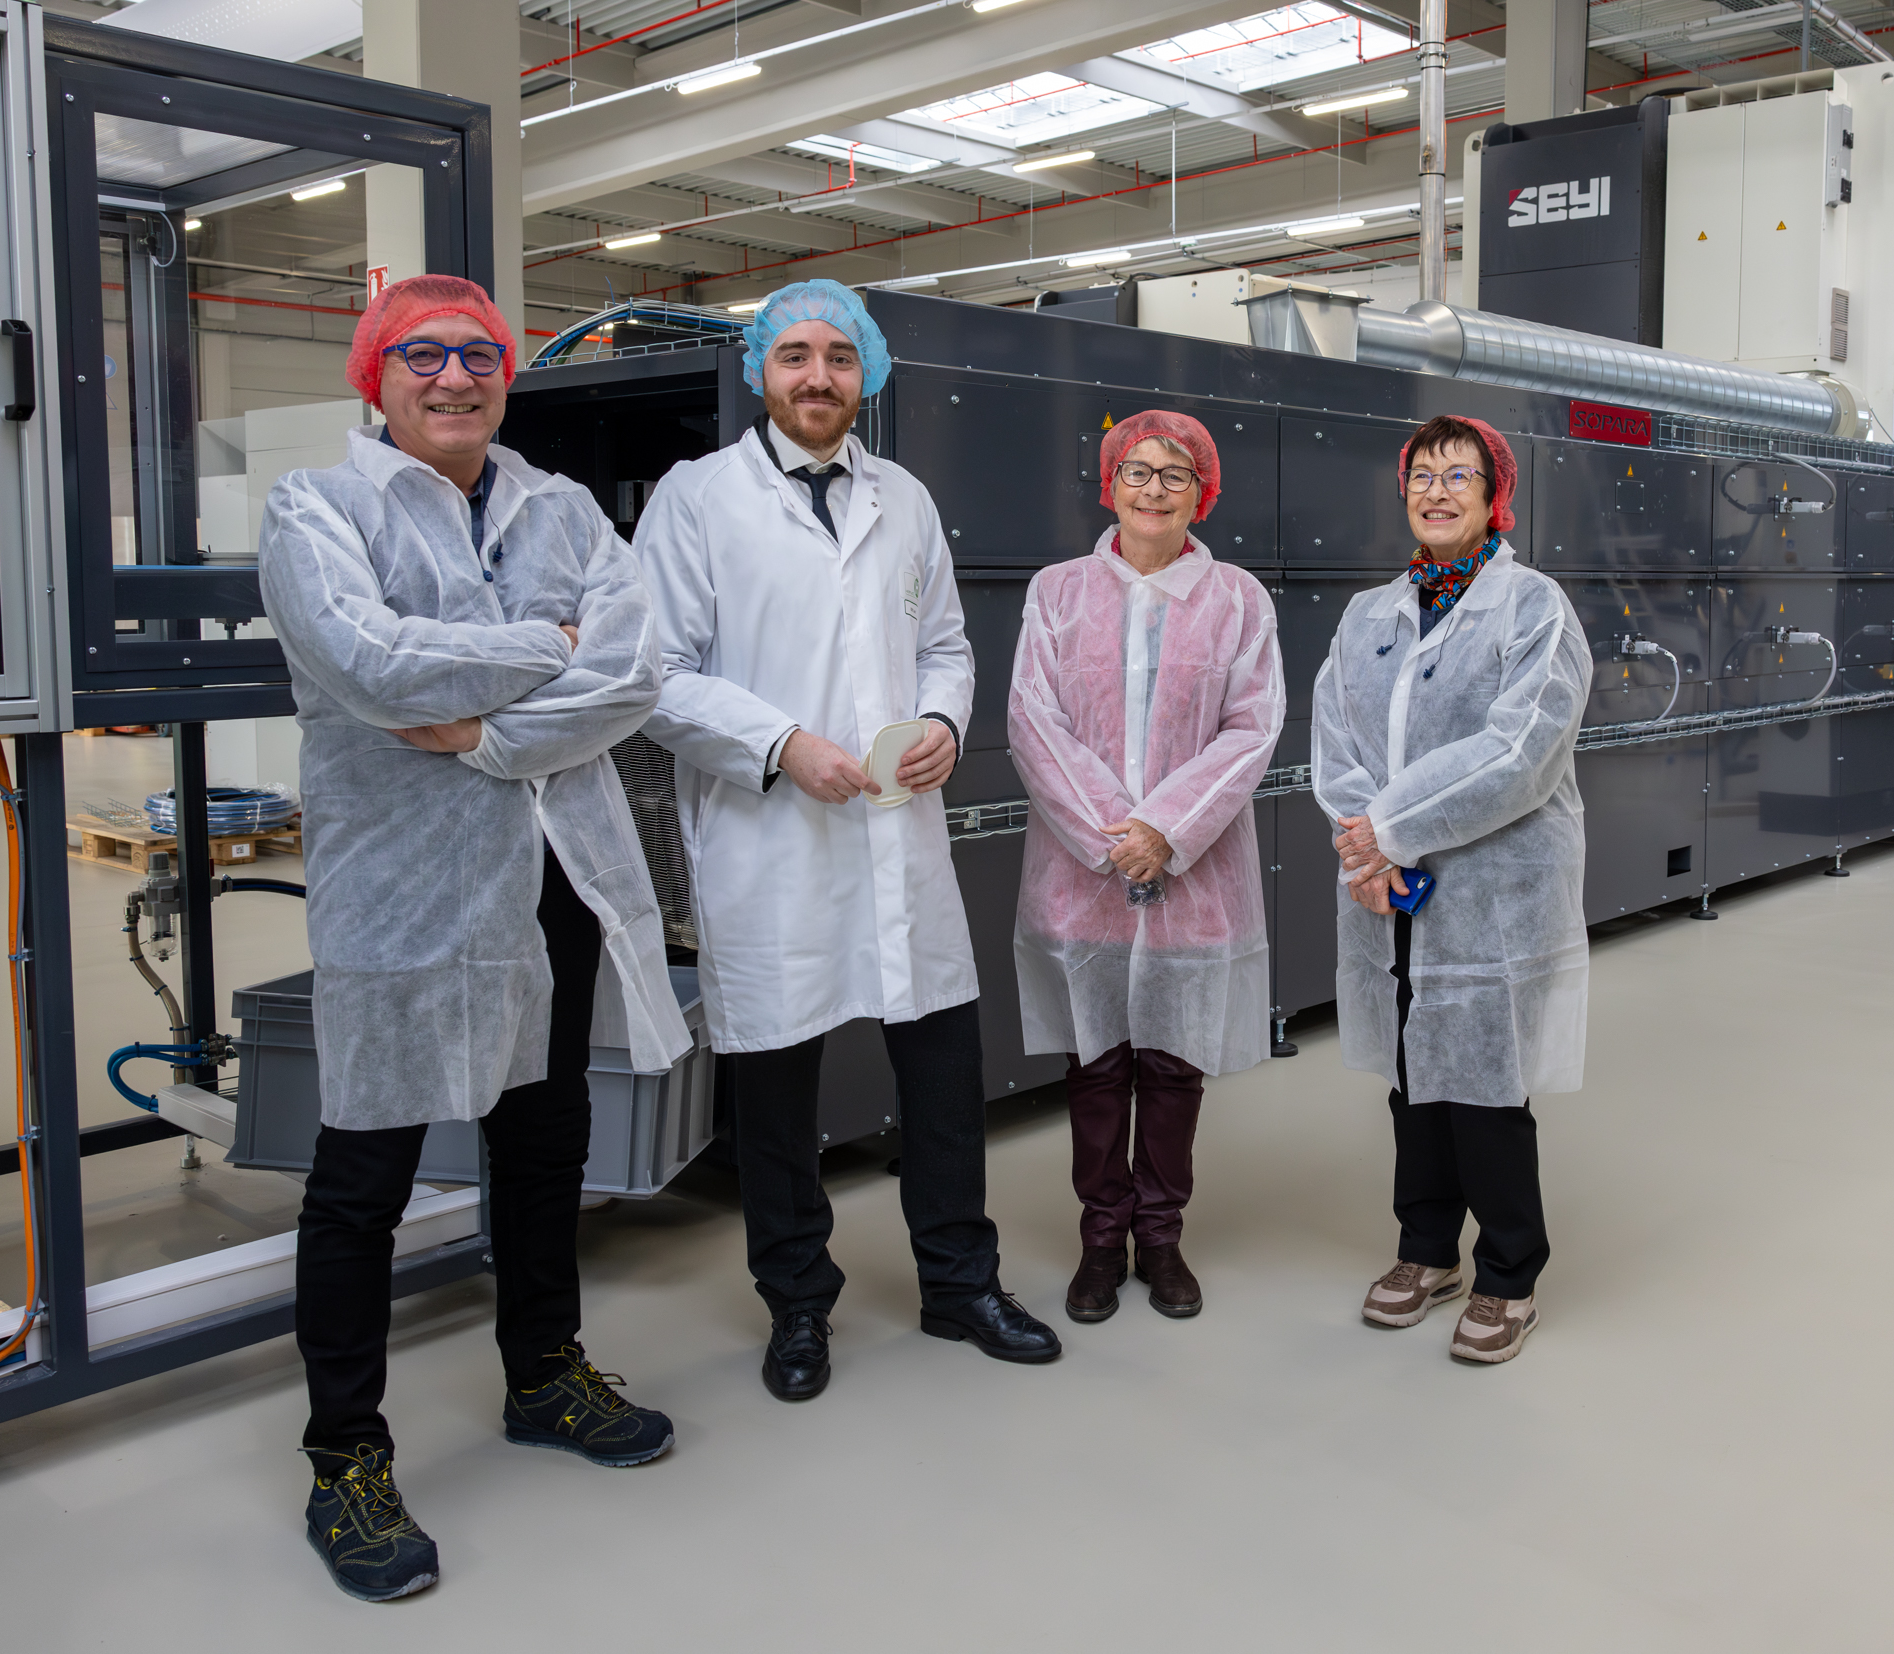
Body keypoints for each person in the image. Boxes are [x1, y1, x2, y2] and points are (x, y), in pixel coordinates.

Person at [258, 274, 692, 1603]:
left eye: (480, 356)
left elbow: (635, 665)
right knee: (366, 1168)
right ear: (376, 378)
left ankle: (543, 1373)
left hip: (545, 865)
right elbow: (367, 663)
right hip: (401, 878)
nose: (457, 376)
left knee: (543, 1131)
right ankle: (346, 1454)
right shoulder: (314, 507)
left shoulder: (559, 504)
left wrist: (494, 728)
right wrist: (543, 644)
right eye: (426, 354)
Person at [631, 279, 1059, 1401]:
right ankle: (797, 1306)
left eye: (836, 357)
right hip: (769, 834)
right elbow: (654, 675)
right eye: (794, 358)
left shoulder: (904, 497)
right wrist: (779, 744)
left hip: (893, 833)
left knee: (943, 1072)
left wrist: (939, 720)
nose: (817, 377)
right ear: (758, 372)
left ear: (865, 371)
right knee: (775, 1090)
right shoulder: (695, 500)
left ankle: (960, 1283)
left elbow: (948, 644)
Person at [1309, 413, 1590, 1366]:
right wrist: (1371, 848)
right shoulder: (1368, 615)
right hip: (1392, 885)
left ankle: (1510, 1272)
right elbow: (1336, 737)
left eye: (1457, 475)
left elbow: (1520, 752)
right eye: (1421, 475)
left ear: (1492, 493)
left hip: (1494, 884)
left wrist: (1389, 831)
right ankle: (1426, 1249)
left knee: (1485, 1083)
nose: (1436, 491)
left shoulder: (1535, 607)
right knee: (1410, 1072)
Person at [1008, 410, 1284, 1324]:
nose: (1154, 488)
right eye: (1137, 470)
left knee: (1171, 1065)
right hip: (1080, 873)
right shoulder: (1056, 592)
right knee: (1095, 1064)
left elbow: (1254, 726)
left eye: (1175, 473)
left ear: (1202, 490)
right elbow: (1031, 722)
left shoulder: (1240, 597)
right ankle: (1100, 1240)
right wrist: (1109, 834)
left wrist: (1166, 829)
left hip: (1195, 878)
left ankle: (1160, 1238)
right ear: (1108, 482)